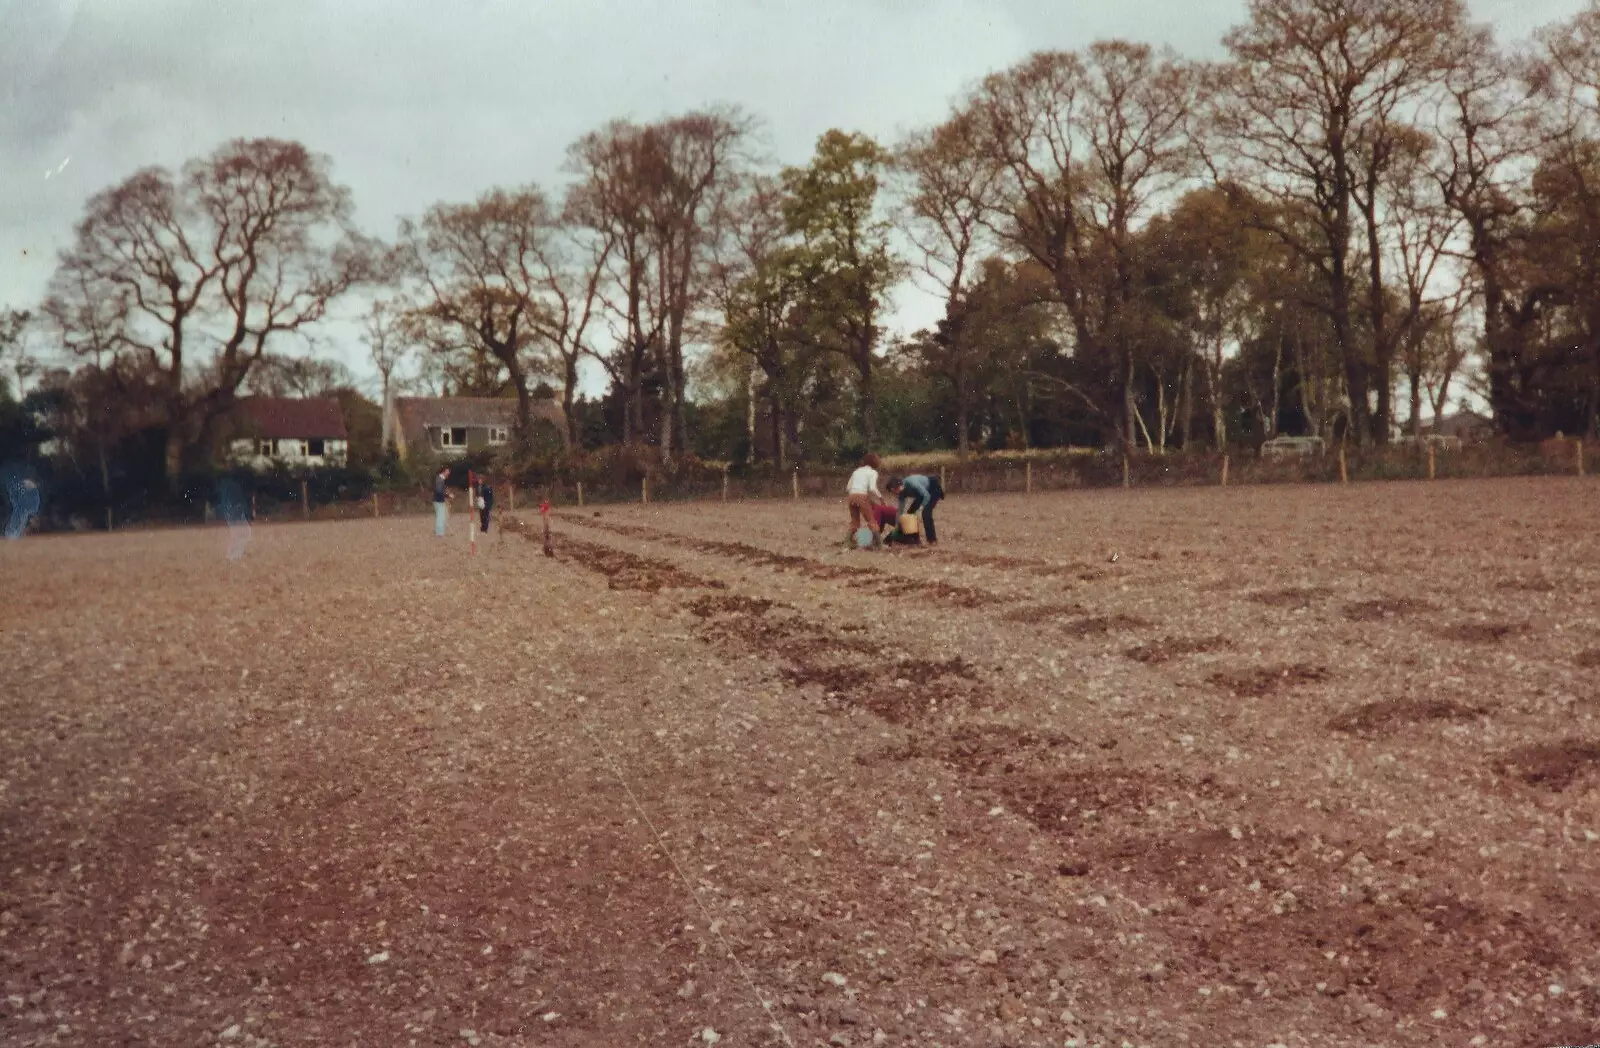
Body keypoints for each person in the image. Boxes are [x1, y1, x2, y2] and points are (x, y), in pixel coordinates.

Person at [887, 472, 945, 545]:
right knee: (910, 515)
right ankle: (915, 539)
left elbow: (926, 496)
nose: (895, 493)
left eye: (894, 491)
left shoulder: (911, 482)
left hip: (933, 488)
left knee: (926, 513)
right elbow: (900, 510)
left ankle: (932, 540)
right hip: (921, 495)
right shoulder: (901, 492)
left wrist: (920, 509)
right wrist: (897, 524)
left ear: (898, 486)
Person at [844, 452, 886, 548]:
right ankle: (879, 545)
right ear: (874, 462)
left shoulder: (857, 471)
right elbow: (872, 488)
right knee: (871, 520)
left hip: (851, 496)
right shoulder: (873, 472)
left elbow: (848, 487)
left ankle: (847, 543)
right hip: (862, 497)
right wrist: (881, 498)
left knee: (855, 521)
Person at [433, 466, 453, 537]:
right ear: (444, 471)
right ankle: (439, 533)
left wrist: (447, 493)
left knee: (441, 516)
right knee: (440, 517)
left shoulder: (441, 480)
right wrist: (448, 495)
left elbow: (442, 489)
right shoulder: (439, 480)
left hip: (439, 500)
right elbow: (439, 491)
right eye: (447, 471)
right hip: (438, 501)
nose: (448, 474)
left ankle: (438, 531)